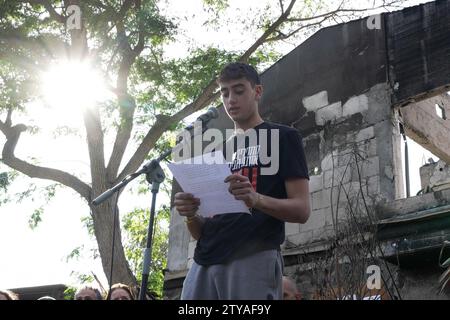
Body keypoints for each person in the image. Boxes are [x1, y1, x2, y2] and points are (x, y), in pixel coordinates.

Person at [174, 62, 311, 300]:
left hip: (252, 256)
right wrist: (190, 214)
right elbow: (202, 230)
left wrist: (255, 199)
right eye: (224, 93)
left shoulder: (284, 137)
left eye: (238, 91)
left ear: (257, 92)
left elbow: (302, 210)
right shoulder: (219, 151)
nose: (230, 100)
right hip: (203, 261)